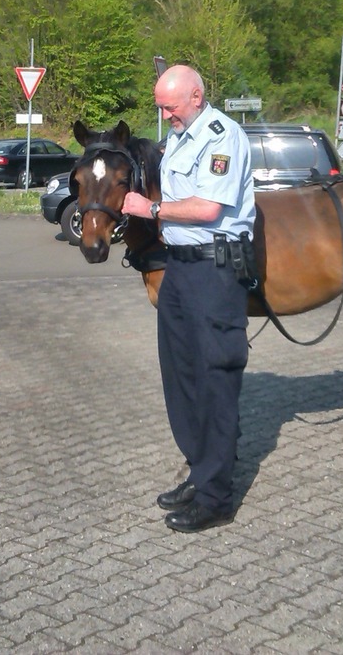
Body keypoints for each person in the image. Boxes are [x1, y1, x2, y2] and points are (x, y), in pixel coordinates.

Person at [121, 64, 256, 533]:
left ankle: (218, 496)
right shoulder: (179, 136)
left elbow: (208, 207)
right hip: (177, 264)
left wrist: (151, 208)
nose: (164, 115)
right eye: (160, 107)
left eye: (171, 107)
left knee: (214, 376)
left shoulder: (222, 135)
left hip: (214, 269)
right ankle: (201, 472)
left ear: (196, 96)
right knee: (181, 374)